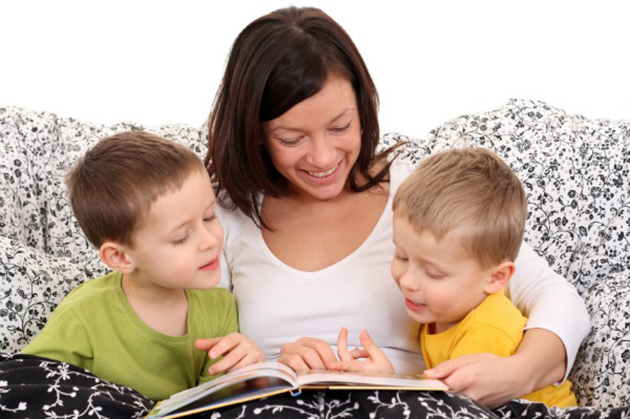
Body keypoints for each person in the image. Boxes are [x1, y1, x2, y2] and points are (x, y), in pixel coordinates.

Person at [201, 5, 589, 408]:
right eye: (292, 138)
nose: (322, 157)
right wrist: (267, 368)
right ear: (256, 133)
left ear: (363, 109)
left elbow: (555, 297)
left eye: (340, 126)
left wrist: (516, 374)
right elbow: (202, 352)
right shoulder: (222, 215)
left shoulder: (418, 194)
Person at [22, 131, 264, 401]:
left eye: (209, 217)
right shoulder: (83, 315)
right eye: (181, 237)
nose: (209, 241)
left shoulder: (220, 307)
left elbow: (213, 404)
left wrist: (244, 374)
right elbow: (30, 387)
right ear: (120, 258)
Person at [332, 148, 577, 407]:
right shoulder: (442, 309)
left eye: (434, 273)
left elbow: (444, 407)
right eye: (402, 256)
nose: (407, 281)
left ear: (495, 278)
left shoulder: (487, 330)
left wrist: (386, 381)